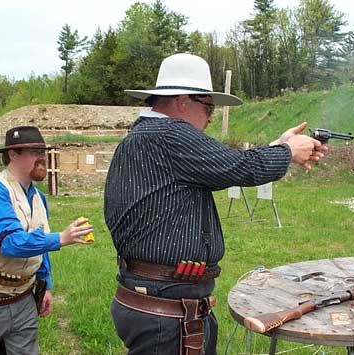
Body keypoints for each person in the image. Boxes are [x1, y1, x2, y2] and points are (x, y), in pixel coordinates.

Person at [104, 53, 327, 355]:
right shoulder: (170, 134)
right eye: (207, 106)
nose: (210, 117)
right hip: (166, 308)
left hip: (159, 299)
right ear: (183, 102)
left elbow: (225, 164)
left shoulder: (149, 135)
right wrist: (287, 152)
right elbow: (241, 167)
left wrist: (278, 147)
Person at [0, 126, 94, 355]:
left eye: (43, 151)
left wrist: (45, 285)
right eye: (35, 151)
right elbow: (10, 243)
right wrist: (62, 238)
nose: (42, 157)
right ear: (13, 154)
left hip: (23, 296)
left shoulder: (38, 197)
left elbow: (39, 244)